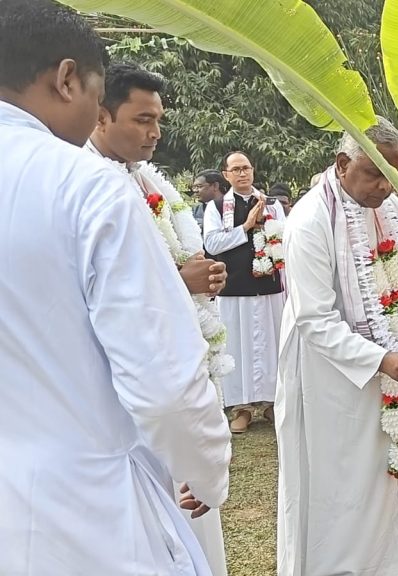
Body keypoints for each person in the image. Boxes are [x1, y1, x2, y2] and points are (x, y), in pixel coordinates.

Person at [0, 2, 232, 574]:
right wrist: (207, 471)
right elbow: (165, 384)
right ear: (68, 79)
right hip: (85, 509)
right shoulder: (87, 186)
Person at [85, 61, 232, 576]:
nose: (155, 133)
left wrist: (200, 279)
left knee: (195, 523)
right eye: (142, 119)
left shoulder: (145, 178)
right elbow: (116, 288)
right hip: (136, 391)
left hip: (181, 367)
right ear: (101, 116)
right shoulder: (90, 183)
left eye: (159, 120)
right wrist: (180, 280)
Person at [277, 117, 398, 576]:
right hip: (329, 382)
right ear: (342, 163)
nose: (387, 186)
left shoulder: (387, 210)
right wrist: (381, 358)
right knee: (339, 490)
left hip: (382, 374)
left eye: (395, 174)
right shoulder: (309, 220)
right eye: (375, 173)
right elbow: (313, 318)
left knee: (378, 485)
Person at [205, 151, 288, 433]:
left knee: (271, 345)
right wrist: (246, 227)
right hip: (234, 287)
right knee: (236, 347)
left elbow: (284, 238)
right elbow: (213, 244)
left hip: (269, 287)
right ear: (226, 175)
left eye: (247, 168)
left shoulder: (272, 204)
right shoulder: (217, 207)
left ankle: (271, 404)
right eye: (236, 169)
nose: (242, 174)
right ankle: (240, 408)